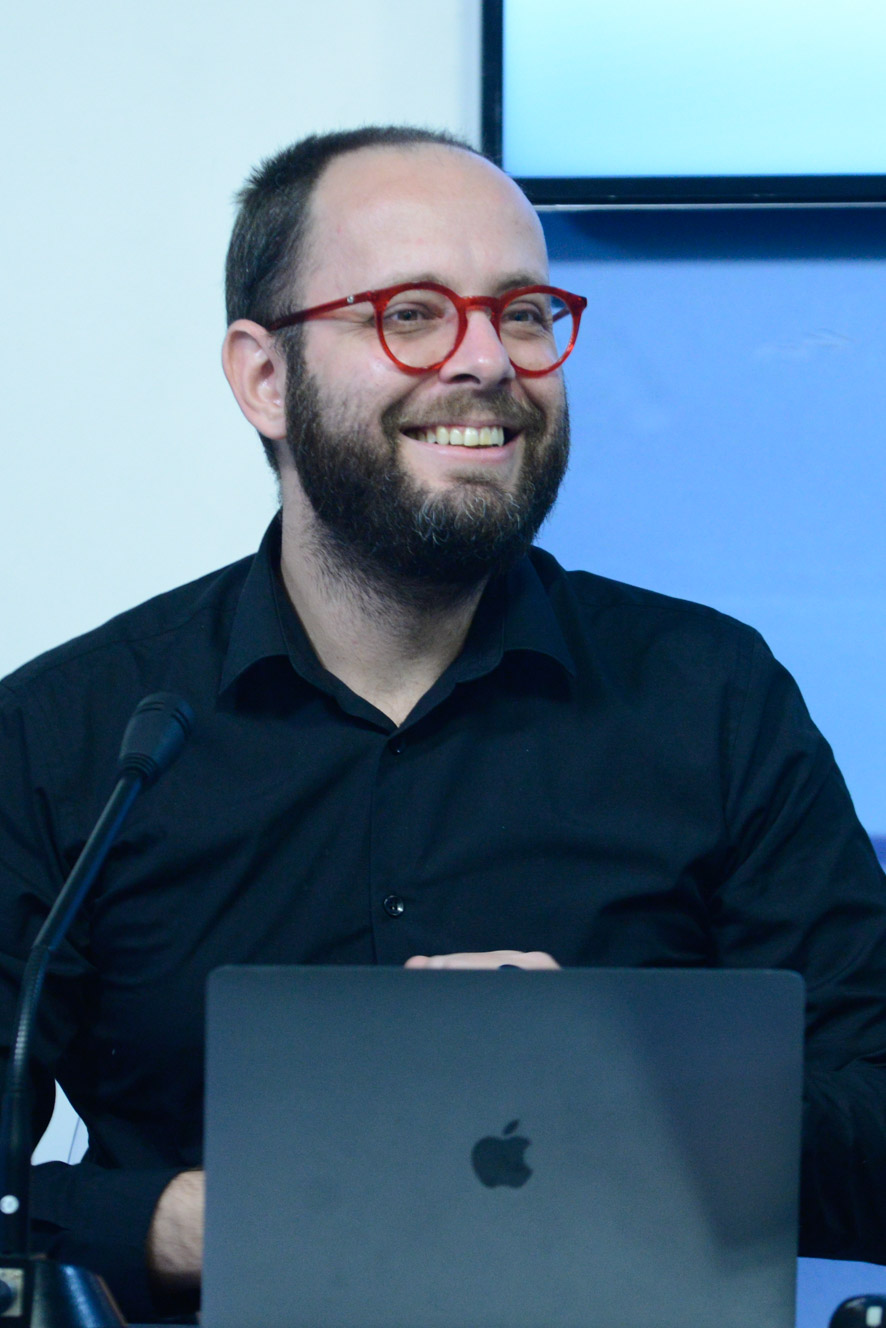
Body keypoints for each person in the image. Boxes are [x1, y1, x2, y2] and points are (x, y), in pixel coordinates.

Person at [1, 125, 885, 1321]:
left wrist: (628, 1083)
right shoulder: (74, 736)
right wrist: (207, 1218)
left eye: (522, 313)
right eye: (410, 314)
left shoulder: (713, 697)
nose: (486, 361)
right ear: (264, 377)